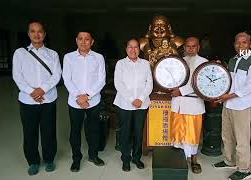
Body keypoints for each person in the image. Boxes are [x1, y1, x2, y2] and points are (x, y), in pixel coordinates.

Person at [12, 21, 61, 175]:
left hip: (48, 99)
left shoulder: (52, 54)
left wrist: (42, 90)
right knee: (30, 132)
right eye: (33, 31)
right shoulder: (20, 53)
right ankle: (33, 161)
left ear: (44, 34)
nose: (36, 34)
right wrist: (32, 92)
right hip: (28, 100)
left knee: (49, 131)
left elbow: (57, 75)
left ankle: (49, 159)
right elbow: (17, 76)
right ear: (28, 34)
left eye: (40, 31)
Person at [213, 32, 251, 180]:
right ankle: (229, 160)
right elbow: (227, 81)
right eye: (237, 43)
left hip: (242, 106)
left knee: (242, 139)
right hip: (228, 104)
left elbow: (250, 86)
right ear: (234, 44)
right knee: (226, 135)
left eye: (244, 42)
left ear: (250, 44)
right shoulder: (233, 60)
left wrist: (229, 96)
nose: (240, 45)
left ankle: (244, 170)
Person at [62, 30, 106, 172]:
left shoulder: (99, 58)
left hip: (93, 101)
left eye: (86, 39)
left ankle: (93, 155)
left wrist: (87, 96)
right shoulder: (68, 58)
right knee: (75, 131)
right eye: (80, 38)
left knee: (94, 130)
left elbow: (101, 80)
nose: (83, 41)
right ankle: (76, 158)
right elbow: (67, 79)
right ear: (76, 40)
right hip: (75, 102)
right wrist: (79, 97)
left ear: (92, 42)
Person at [113, 39, 153, 172]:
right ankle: (125, 159)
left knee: (138, 132)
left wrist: (140, 99)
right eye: (130, 47)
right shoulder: (121, 64)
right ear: (126, 49)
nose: (133, 49)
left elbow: (149, 84)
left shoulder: (145, 64)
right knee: (125, 132)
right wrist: (132, 99)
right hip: (125, 104)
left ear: (139, 49)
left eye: (136, 47)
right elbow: (118, 84)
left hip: (142, 105)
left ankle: (136, 158)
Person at [170, 37, 208, 174]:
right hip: (178, 103)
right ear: (184, 47)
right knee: (177, 132)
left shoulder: (204, 63)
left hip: (194, 104)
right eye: (188, 46)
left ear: (198, 47)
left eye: (193, 46)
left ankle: (193, 160)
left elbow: (200, 83)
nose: (190, 49)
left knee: (193, 134)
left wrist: (181, 90)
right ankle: (178, 159)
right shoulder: (179, 62)